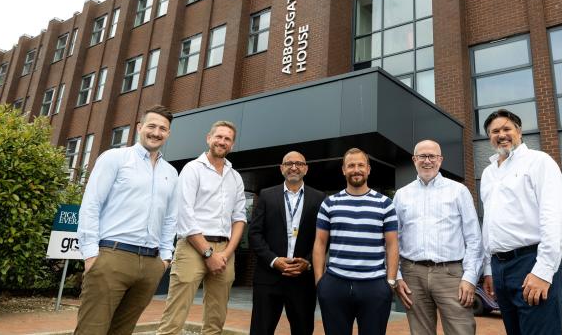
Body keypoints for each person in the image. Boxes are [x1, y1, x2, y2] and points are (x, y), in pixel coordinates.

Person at [76, 105, 179, 335]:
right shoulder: (115, 158)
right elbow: (91, 205)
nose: (156, 132)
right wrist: (91, 254)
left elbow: (170, 218)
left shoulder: (171, 172)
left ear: (168, 134)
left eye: (163, 128)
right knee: (91, 330)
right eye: (151, 126)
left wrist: (164, 257)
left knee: (123, 331)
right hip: (111, 257)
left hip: (151, 264)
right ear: (140, 127)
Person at [480, 109, 562, 335]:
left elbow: (555, 216)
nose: (501, 134)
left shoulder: (539, 161)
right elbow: (489, 223)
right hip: (500, 267)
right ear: (489, 137)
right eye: (494, 131)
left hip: (532, 261)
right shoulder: (489, 173)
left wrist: (543, 270)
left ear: (519, 132)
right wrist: (489, 268)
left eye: (506, 129)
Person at [157, 120, 247, 334]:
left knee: (216, 318)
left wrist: (226, 252)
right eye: (219, 136)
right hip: (192, 246)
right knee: (175, 314)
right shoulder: (192, 169)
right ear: (209, 138)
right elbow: (185, 215)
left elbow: (240, 218)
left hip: (225, 250)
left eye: (227, 139)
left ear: (232, 145)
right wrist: (208, 254)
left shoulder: (236, 177)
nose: (222, 141)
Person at [393, 139, 482, 335]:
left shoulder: (458, 191)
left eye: (432, 156)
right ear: (414, 159)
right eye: (422, 156)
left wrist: (470, 278)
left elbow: (474, 238)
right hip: (412, 275)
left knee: (462, 331)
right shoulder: (401, 195)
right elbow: (394, 240)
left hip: (451, 275)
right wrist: (397, 276)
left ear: (440, 160)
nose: (427, 161)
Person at [313, 147, 399, 335]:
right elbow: (320, 243)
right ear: (343, 170)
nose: (356, 169)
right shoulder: (330, 203)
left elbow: (392, 245)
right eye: (351, 165)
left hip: (374, 286)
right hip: (335, 284)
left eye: (361, 165)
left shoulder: (385, 203)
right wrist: (320, 282)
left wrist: (390, 282)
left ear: (368, 169)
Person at [248, 151, 326, 335]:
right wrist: (274, 261)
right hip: (268, 278)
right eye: (289, 163)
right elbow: (254, 233)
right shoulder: (266, 195)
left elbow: (322, 239)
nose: (294, 167)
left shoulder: (319, 198)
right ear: (281, 168)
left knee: (303, 329)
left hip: (302, 280)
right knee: (261, 330)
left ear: (306, 169)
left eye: (299, 163)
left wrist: (307, 262)